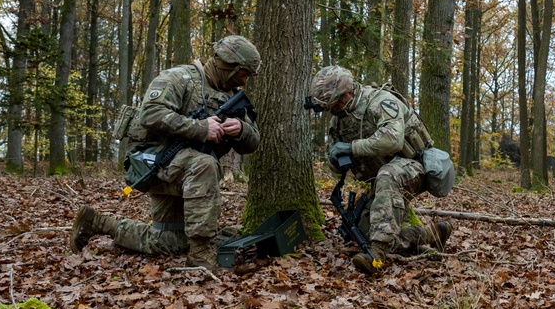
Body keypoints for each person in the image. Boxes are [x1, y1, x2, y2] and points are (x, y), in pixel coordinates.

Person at [70, 35, 262, 270]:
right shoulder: (179, 78)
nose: (244, 82)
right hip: (154, 162)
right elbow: (150, 115)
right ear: (228, 66)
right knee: (205, 164)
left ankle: (99, 223)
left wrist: (241, 129)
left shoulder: (233, 97)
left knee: (167, 242)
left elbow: (253, 142)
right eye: (243, 74)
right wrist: (200, 128)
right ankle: (200, 255)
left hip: (186, 174)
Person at [306, 65, 452, 274]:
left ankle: (376, 256)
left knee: (388, 175)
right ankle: (431, 234)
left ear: (348, 91)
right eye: (331, 106)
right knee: (366, 232)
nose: (335, 108)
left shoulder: (379, 101)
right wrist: (334, 160)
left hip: (414, 167)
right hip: (382, 181)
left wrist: (351, 147)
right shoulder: (337, 123)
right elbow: (337, 170)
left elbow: (393, 139)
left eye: (337, 102)